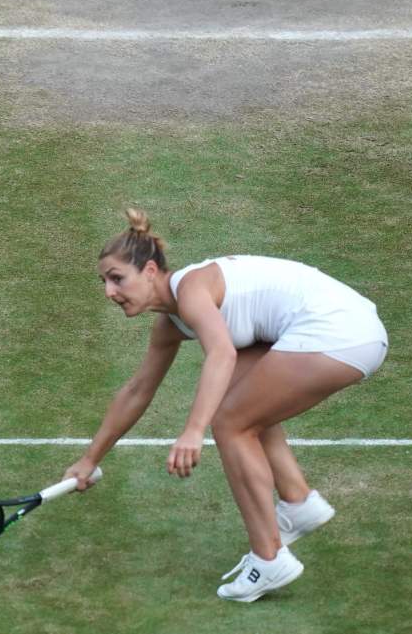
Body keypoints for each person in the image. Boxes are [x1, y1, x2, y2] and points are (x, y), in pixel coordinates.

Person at [65, 208, 388, 602]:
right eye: (104, 282)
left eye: (117, 279)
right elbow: (137, 390)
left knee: (231, 422)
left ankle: (269, 559)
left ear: (150, 270)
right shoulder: (171, 322)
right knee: (244, 402)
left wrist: (192, 431)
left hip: (340, 331)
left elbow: (221, 353)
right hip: (348, 329)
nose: (109, 293)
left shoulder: (193, 290)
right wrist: (90, 458)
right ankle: (299, 502)